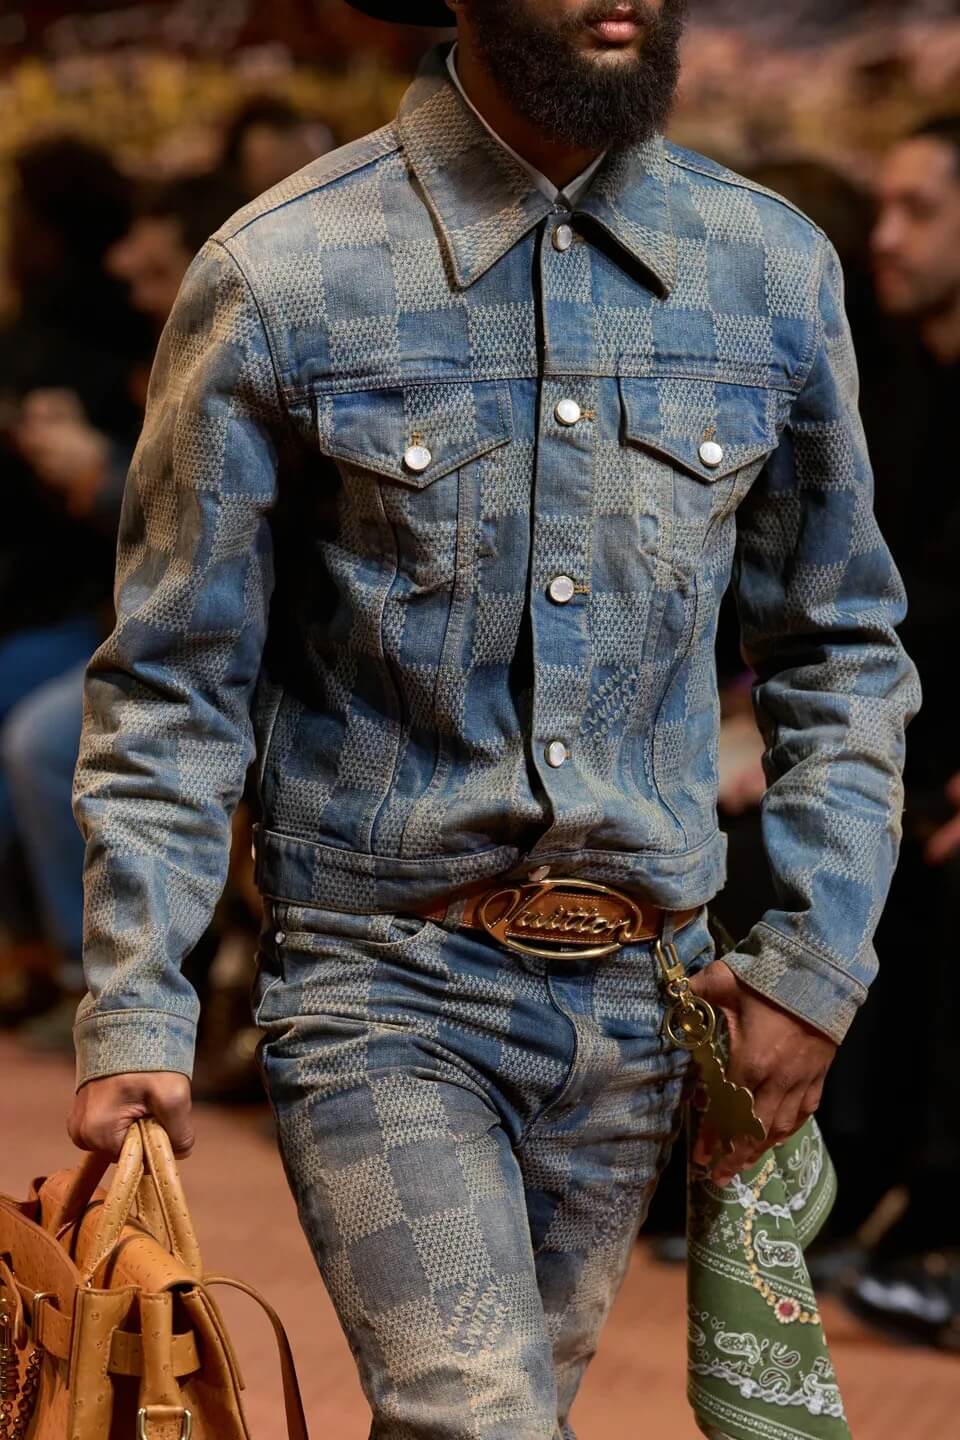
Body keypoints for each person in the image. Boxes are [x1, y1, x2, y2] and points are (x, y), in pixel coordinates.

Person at [68, 2, 919, 1434]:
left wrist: (814, 963)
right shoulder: (285, 272)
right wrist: (136, 1005)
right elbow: (173, 681)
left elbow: (841, 646)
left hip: (647, 1000)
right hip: (384, 982)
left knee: (504, 1414)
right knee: (479, 1418)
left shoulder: (768, 268)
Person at [0, 171, 246, 1044]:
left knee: (46, 740)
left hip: (221, 639)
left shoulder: (232, 348)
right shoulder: (147, 353)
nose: (127, 278)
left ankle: (111, 989)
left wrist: (101, 476)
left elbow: (215, 530)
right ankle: (64, 969)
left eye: (152, 269)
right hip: (129, 623)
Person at [831, 114, 960, 1350]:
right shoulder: (895, 377)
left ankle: (940, 1231)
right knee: (802, 820)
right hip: (916, 737)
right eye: (884, 206)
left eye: (920, 210)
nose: (886, 236)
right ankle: (842, 1181)